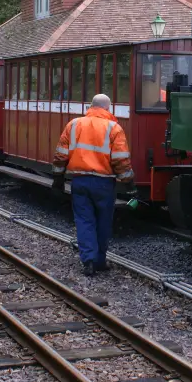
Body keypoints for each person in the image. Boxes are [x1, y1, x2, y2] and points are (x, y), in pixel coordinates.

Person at [52, 94, 135, 276]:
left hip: (80, 181)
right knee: (103, 221)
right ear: (108, 108)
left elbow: (61, 154)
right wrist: (128, 182)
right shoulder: (114, 128)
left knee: (84, 220)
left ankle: (88, 260)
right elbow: (120, 159)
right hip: (104, 183)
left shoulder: (74, 125)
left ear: (90, 106)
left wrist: (58, 178)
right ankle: (99, 260)